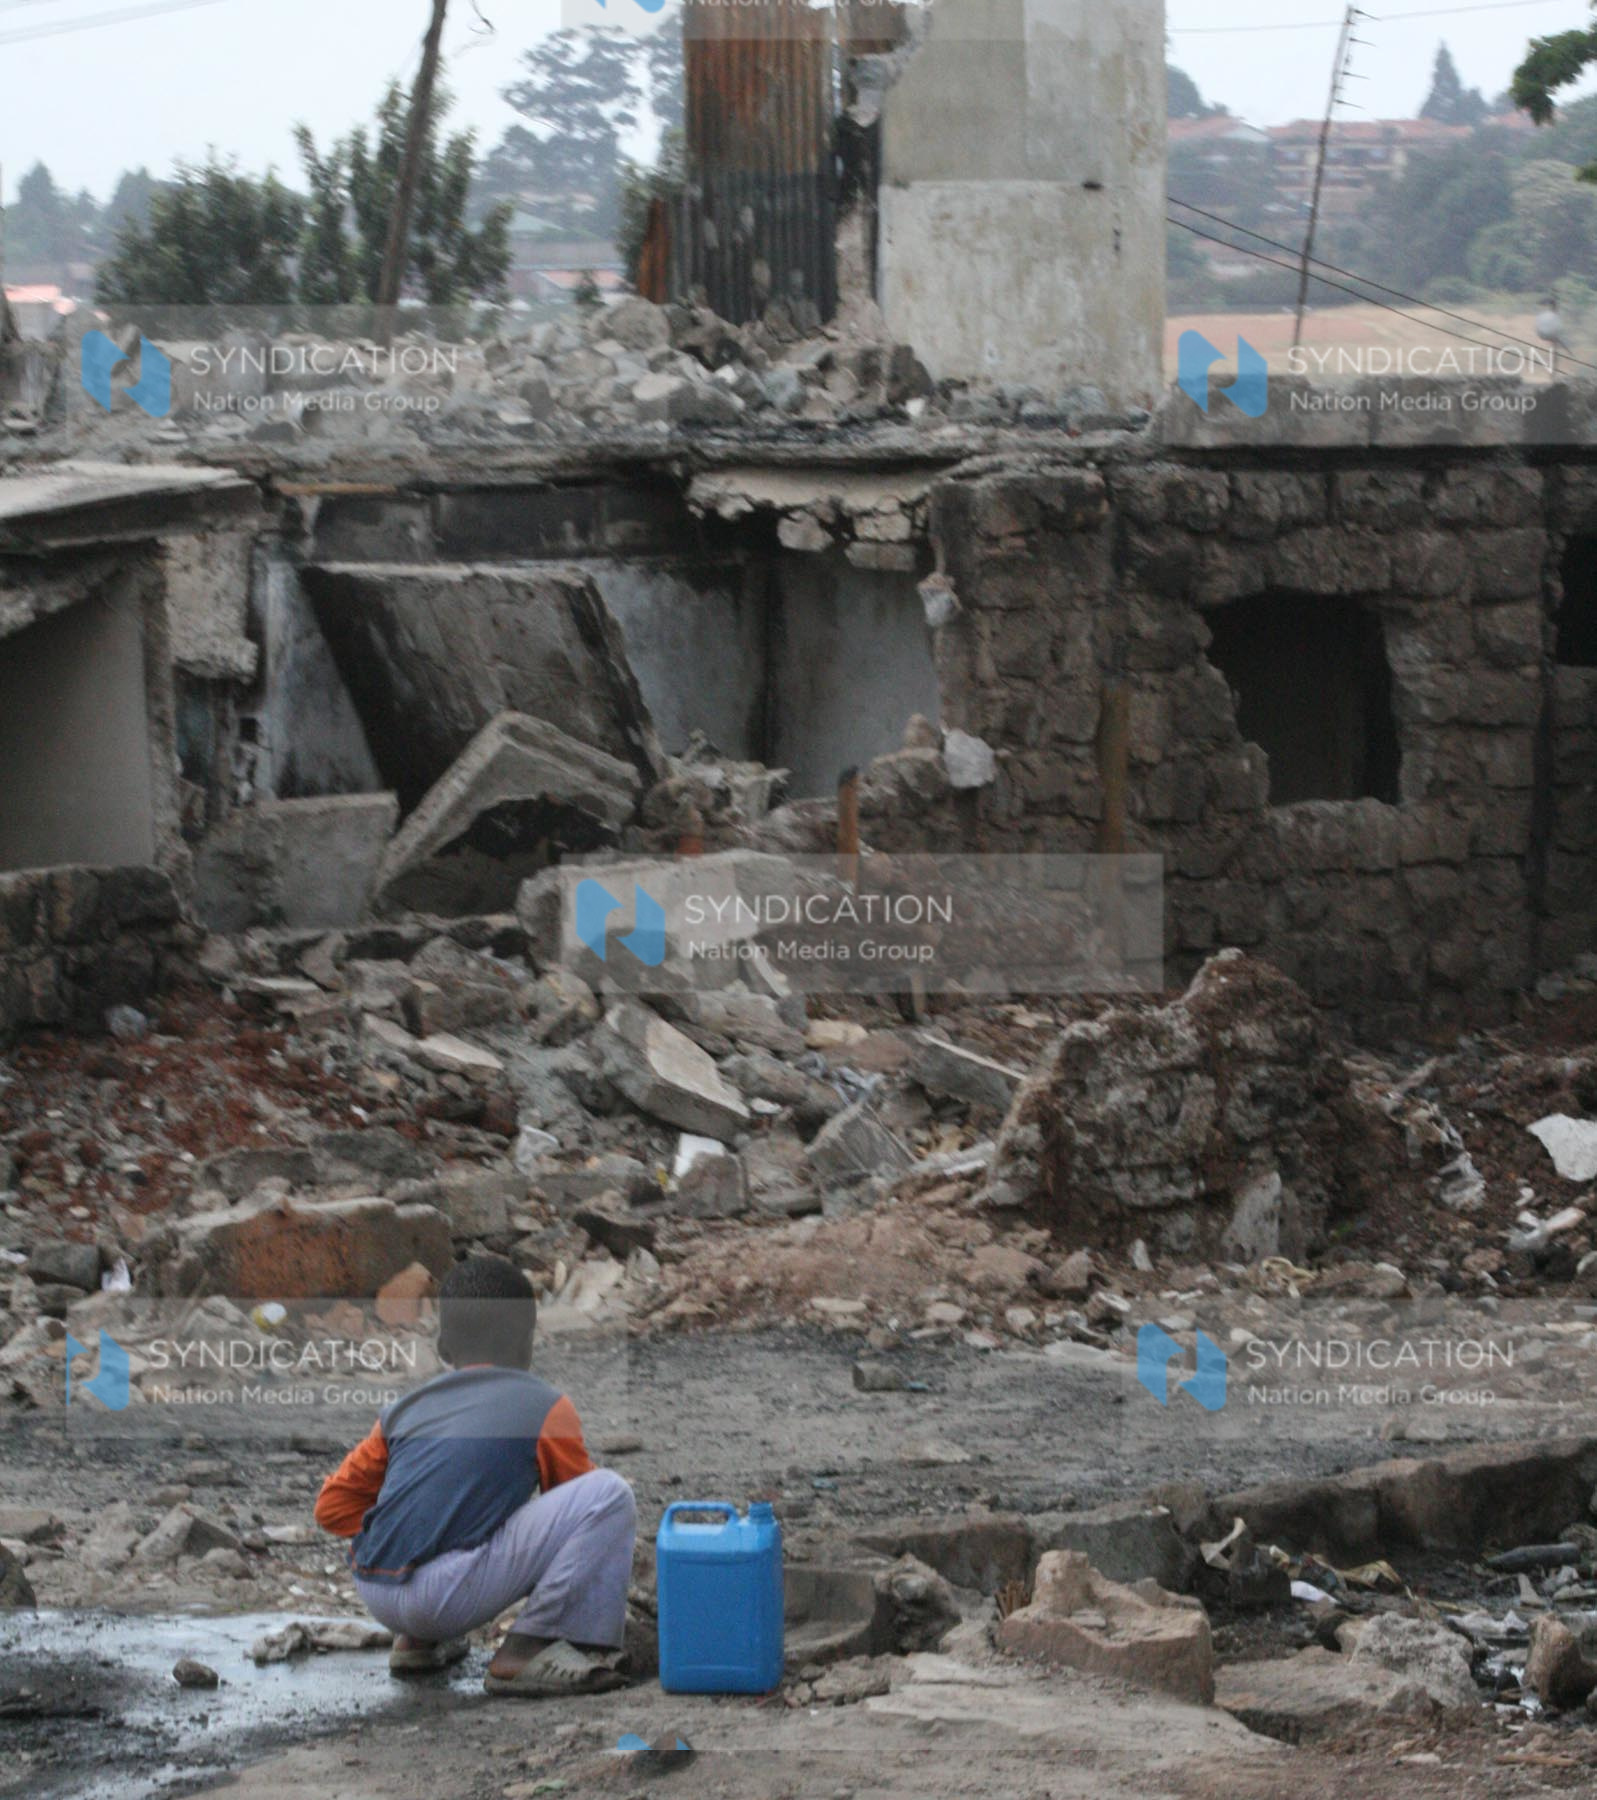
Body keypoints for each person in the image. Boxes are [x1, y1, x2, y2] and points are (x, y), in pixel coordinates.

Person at [314, 1254, 637, 1696]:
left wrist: (416, 1525)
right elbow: (577, 1510)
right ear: (526, 1341)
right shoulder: (543, 1405)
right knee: (609, 1495)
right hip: (447, 1598)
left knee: (446, 1509)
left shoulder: (405, 1409)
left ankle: (417, 1643)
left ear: (444, 1345)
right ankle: (526, 1647)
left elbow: (331, 1509)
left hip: (377, 1593)